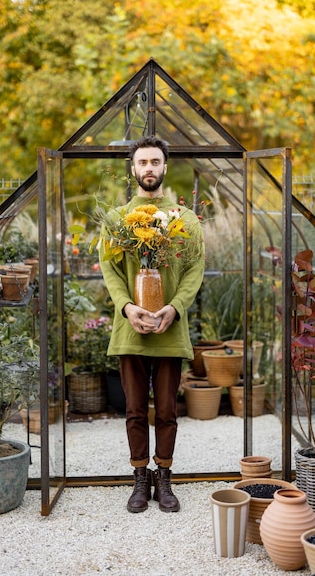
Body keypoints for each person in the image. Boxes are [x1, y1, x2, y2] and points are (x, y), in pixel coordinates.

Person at [99, 135, 205, 513]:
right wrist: (127, 307)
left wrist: (174, 308)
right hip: (131, 327)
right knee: (133, 409)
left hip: (168, 327)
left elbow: (195, 270)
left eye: (155, 162)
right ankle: (139, 478)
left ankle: (165, 478)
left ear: (164, 166)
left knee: (166, 410)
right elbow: (110, 271)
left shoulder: (184, 220)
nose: (148, 168)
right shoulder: (116, 220)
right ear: (133, 168)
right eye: (142, 162)